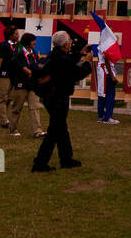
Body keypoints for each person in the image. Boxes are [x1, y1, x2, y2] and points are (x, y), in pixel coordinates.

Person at [32, 31, 92, 172]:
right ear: (65, 44)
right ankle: (40, 162)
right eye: (69, 40)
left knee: (61, 129)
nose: (71, 42)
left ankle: (66, 158)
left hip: (51, 96)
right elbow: (76, 73)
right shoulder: (62, 60)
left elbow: (69, 60)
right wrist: (87, 62)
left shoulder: (55, 55)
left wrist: (79, 54)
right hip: (58, 97)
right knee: (54, 131)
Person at [7, 34, 46, 138]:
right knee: (17, 108)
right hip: (21, 84)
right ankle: (13, 129)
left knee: (34, 107)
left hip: (32, 85)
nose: (35, 43)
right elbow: (23, 67)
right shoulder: (19, 53)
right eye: (33, 41)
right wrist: (32, 73)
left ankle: (37, 130)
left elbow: (36, 65)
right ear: (28, 41)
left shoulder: (34, 54)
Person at [94, 47, 120, 124]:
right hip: (106, 72)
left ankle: (101, 115)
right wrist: (112, 76)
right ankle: (108, 117)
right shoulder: (107, 44)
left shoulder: (102, 44)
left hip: (102, 71)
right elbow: (106, 59)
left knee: (102, 94)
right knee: (110, 95)